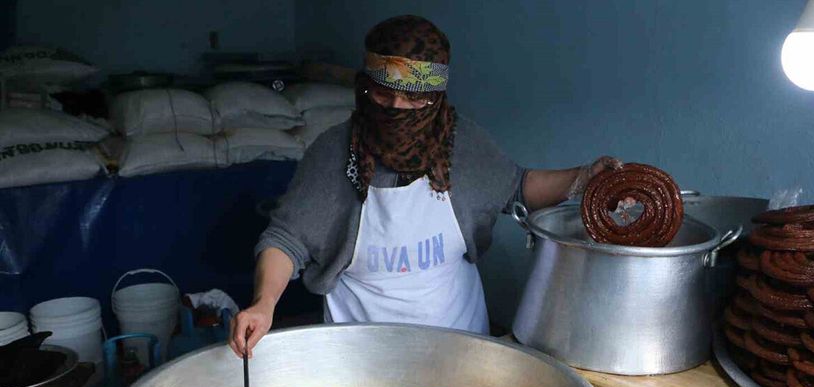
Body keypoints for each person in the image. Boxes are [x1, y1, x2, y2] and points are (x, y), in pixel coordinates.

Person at [230, 15, 621, 357]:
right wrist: (264, 304)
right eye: (383, 94)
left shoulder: (463, 145)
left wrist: (584, 178)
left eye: (414, 98)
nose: (397, 108)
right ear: (365, 88)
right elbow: (286, 240)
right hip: (360, 353)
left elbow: (517, 187)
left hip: (458, 344)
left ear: (435, 98)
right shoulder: (333, 153)